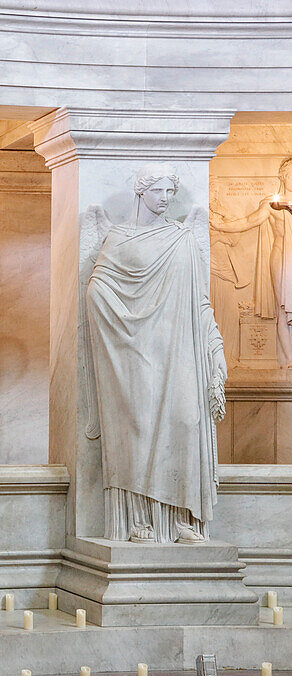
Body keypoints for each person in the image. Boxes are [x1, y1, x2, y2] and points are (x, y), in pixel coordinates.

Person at [86, 163, 226, 544]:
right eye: (158, 192)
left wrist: (215, 348)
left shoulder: (182, 239)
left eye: (170, 193)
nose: (165, 199)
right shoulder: (118, 238)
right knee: (137, 428)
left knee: (185, 422)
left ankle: (183, 518)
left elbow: (200, 301)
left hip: (179, 353)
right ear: (141, 192)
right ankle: (138, 519)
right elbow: (97, 288)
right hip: (133, 353)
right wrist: (124, 322)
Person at [211, 157, 292, 366]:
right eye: (290, 174)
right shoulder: (272, 204)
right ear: (283, 176)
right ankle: (288, 359)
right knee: (283, 309)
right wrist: (220, 226)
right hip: (281, 256)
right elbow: (248, 221)